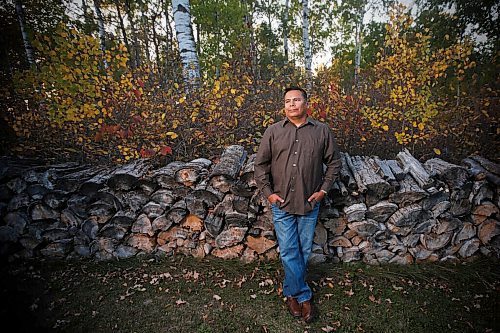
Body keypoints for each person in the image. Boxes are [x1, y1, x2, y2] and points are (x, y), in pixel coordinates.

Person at [254, 86, 341, 323]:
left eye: (296, 100)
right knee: (291, 251)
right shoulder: (273, 132)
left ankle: (290, 291)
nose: (291, 104)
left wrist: (323, 190)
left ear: (306, 103)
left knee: (302, 250)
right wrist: (269, 193)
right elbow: (260, 165)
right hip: (280, 203)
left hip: (309, 203)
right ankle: (303, 296)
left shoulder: (322, 131)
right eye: (287, 101)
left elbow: (334, 164)